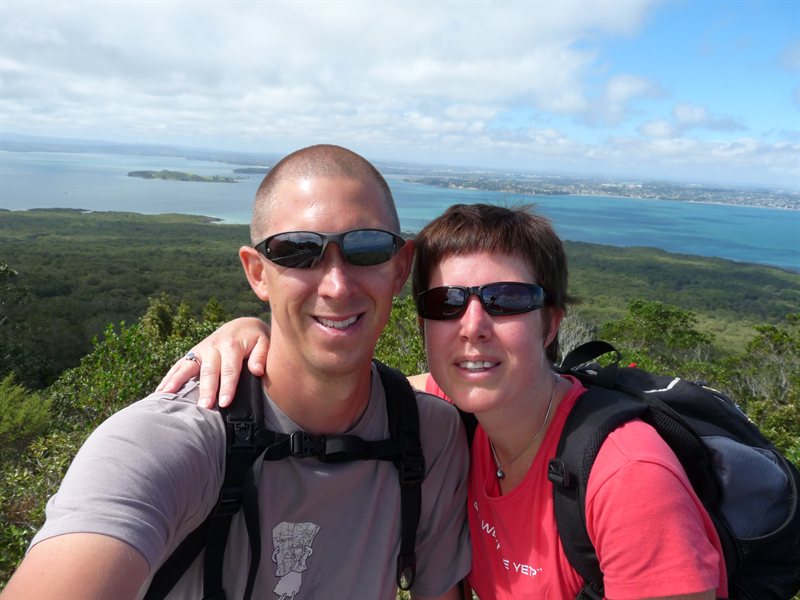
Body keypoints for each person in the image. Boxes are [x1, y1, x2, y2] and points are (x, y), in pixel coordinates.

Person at [160, 203, 727, 599]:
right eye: (447, 302)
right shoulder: (455, 413)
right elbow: (338, 391)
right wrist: (249, 332)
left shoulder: (628, 479)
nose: (472, 326)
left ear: (550, 323)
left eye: (506, 300)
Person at [3, 145, 471, 600]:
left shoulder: (430, 436)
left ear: (400, 267)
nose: (337, 284)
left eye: (366, 249)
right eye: (298, 251)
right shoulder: (167, 443)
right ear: (257, 273)